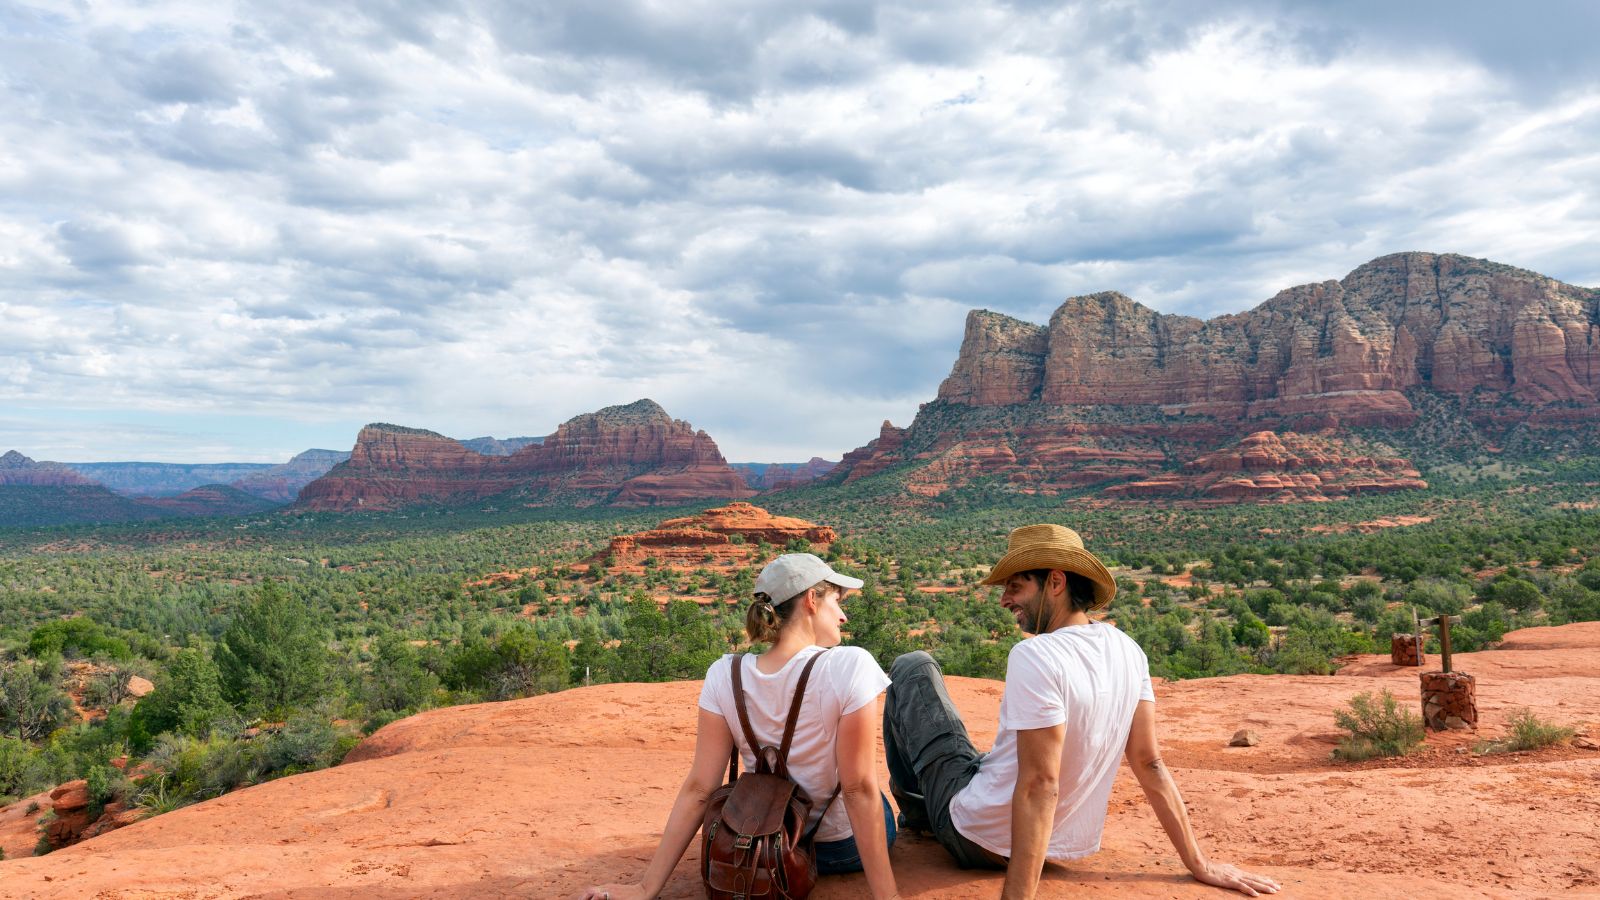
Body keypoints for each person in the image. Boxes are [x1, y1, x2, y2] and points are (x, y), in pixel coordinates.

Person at [883, 524, 1281, 899]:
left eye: (1016, 587)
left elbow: (1040, 783)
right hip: (1054, 845)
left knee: (912, 665)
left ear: (1055, 582)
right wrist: (1200, 863)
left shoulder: (1035, 654)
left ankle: (922, 817)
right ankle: (930, 813)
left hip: (973, 837)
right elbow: (1150, 763)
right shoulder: (1128, 649)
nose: (1005, 600)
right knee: (983, 758)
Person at [581, 553, 901, 900]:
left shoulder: (725, 673)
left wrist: (645, 889)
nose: (843, 615)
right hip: (836, 848)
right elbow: (858, 790)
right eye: (836, 601)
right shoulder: (849, 665)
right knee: (879, 799)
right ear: (811, 599)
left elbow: (700, 788)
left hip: (758, 848)